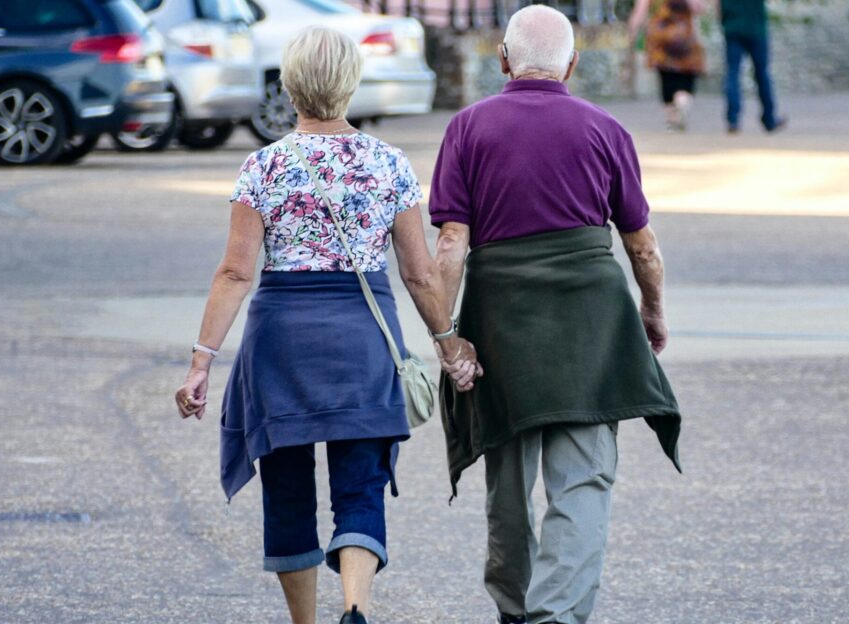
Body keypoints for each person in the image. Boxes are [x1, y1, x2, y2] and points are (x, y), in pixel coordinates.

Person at [173, 27, 480, 624]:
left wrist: (201, 362)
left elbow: (236, 273)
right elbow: (419, 275)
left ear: (290, 87)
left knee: (287, 489)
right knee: (360, 484)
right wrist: (448, 344)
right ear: (351, 85)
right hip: (362, 339)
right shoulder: (388, 163)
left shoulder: (262, 166)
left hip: (279, 344)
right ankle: (356, 608)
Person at [429, 6, 683, 624]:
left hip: (501, 319)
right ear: (572, 63)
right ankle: (556, 618)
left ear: (504, 60)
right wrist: (650, 312)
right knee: (584, 482)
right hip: (592, 325)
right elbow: (641, 246)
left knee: (508, 486)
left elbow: (450, 248)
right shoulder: (605, 129)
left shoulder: (468, 128)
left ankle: (516, 612)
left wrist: (447, 339)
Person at [629, 0, 708, 132]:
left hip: (661, 38)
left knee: (666, 77)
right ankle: (682, 101)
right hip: (684, 36)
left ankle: (672, 118)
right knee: (687, 76)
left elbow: (640, 11)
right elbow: (698, 8)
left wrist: (632, 31)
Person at [718, 0, 786, 133]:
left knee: (733, 73)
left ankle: (733, 119)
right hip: (755, 28)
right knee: (762, 73)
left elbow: (718, 7)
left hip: (733, 27)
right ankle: (769, 118)